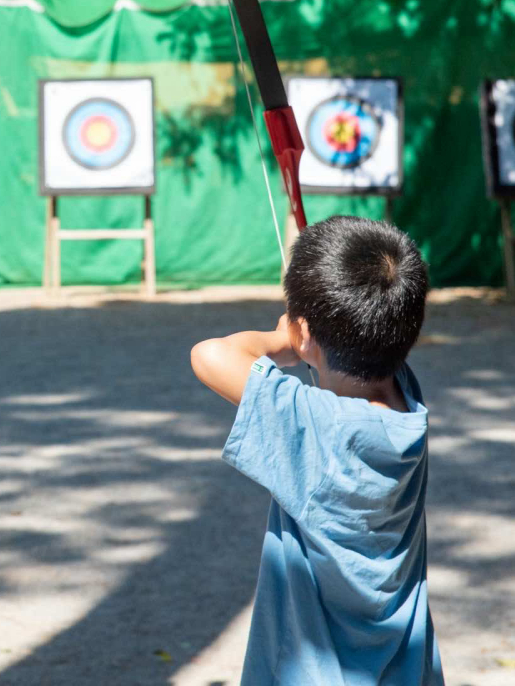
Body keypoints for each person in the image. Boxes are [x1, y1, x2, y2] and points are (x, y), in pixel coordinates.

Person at [190, 215, 444, 685]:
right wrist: (310, 336)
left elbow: (209, 355)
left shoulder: (317, 427)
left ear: (305, 334)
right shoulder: (407, 401)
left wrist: (285, 339)